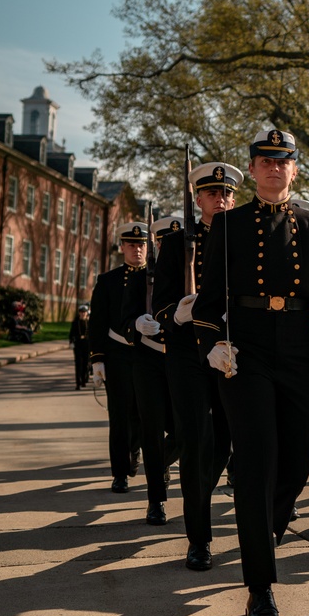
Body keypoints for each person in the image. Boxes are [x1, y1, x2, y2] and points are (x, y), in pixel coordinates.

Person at [191, 125, 309, 616]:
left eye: (283, 160)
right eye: (265, 160)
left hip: (300, 352)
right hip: (246, 353)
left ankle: (266, 530)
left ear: (294, 169)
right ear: (253, 169)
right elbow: (209, 300)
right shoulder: (229, 224)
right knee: (258, 460)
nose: (274, 167)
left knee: (301, 459)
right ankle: (260, 587)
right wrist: (210, 342)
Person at [154, 166, 240, 570]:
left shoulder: (243, 236)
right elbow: (159, 303)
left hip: (228, 352)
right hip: (187, 354)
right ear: (198, 199)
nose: (219, 198)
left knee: (222, 442)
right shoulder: (175, 244)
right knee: (194, 441)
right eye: (210, 193)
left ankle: (201, 494)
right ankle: (199, 538)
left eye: (225, 193)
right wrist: (177, 313)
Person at [121, 215, 181, 526]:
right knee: (152, 431)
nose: (162, 248)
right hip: (149, 362)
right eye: (159, 242)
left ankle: (161, 464)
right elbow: (125, 318)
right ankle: (156, 500)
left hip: (181, 361)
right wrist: (136, 324)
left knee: (186, 430)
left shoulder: (188, 277)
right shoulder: (140, 277)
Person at [89, 223, 147, 493]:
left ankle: (134, 449)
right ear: (122, 247)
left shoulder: (154, 277)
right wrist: (97, 358)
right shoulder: (108, 280)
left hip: (147, 352)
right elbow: (98, 321)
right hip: (118, 353)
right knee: (120, 414)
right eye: (132, 245)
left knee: (141, 411)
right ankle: (120, 472)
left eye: (142, 244)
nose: (138, 249)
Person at [69, 303, 91, 389]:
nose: (83, 314)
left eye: (84, 312)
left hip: (86, 345)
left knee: (85, 364)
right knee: (78, 364)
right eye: (81, 312)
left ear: (86, 313)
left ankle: (83, 379)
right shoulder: (75, 323)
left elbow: (92, 334)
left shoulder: (89, 323)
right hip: (78, 345)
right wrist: (71, 341)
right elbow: (71, 334)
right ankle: (78, 383)